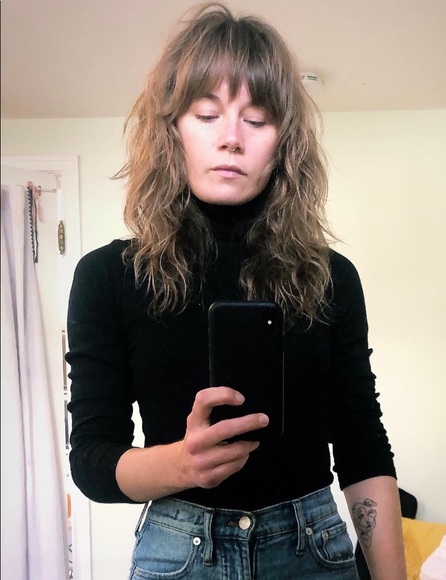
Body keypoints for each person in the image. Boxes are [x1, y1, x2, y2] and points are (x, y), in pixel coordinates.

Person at [65, 2, 406, 578]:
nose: (230, 139)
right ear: (172, 130)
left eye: (256, 119)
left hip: (313, 548)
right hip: (179, 551)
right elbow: (93, 460)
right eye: (206, 114)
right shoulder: (107, 277)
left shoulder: (332, 277)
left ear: (283, 141)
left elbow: (361, 440)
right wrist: (181, 465)